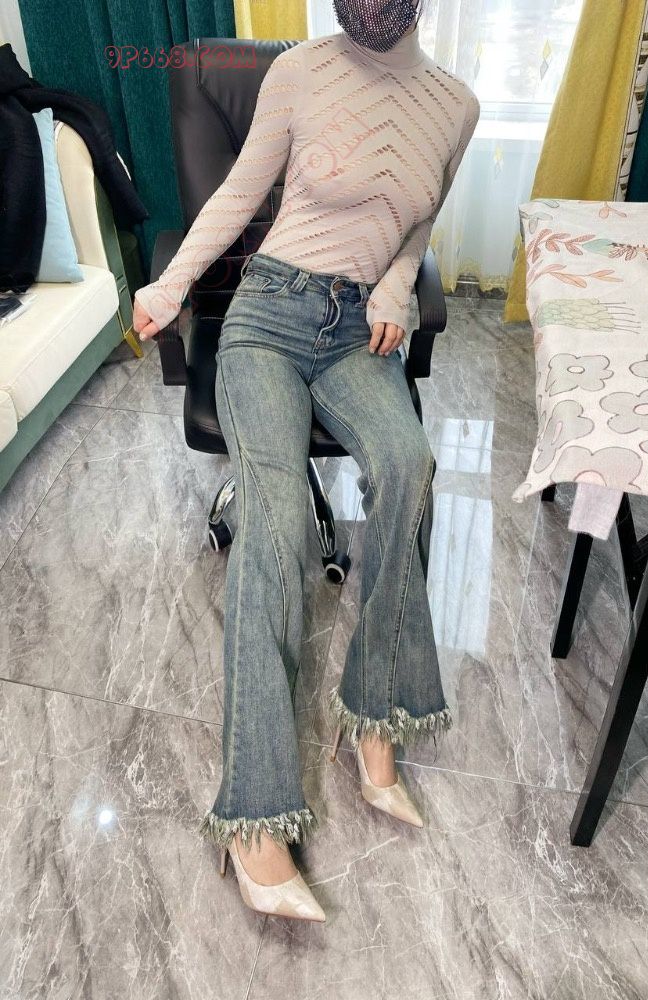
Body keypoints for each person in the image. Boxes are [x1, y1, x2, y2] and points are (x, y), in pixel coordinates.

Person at [133, 0, 479, 923]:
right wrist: (171, 284)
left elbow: (416, 224)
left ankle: (373, 720)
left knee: (408, 467)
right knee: (276, 520)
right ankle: (253, 818)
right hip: (267, 320)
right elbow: (236, 196)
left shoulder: (456, 104)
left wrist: (398, 286)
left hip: (358, 333)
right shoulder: (299, 73)